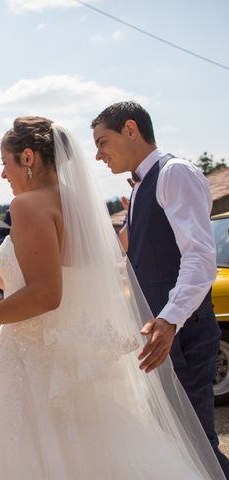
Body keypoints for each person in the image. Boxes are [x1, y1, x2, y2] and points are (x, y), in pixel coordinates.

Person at [0, 118, 224, 478]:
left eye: (4, 164)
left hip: (31, 360)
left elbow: (46, 294)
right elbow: (51, 276)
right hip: (72, 362)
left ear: (27, 157)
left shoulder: (28, 206)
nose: (3, 176)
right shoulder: (78, 207)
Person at [92, 100, 229, 476]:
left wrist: (168, 321)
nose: (98, 154)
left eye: (103, 142)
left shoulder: (175, 174)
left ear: (131, 129)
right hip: (161, 337)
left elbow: (200, 258)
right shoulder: (139, 188)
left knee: (195, 444)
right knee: (174, 442)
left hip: (182, 335)